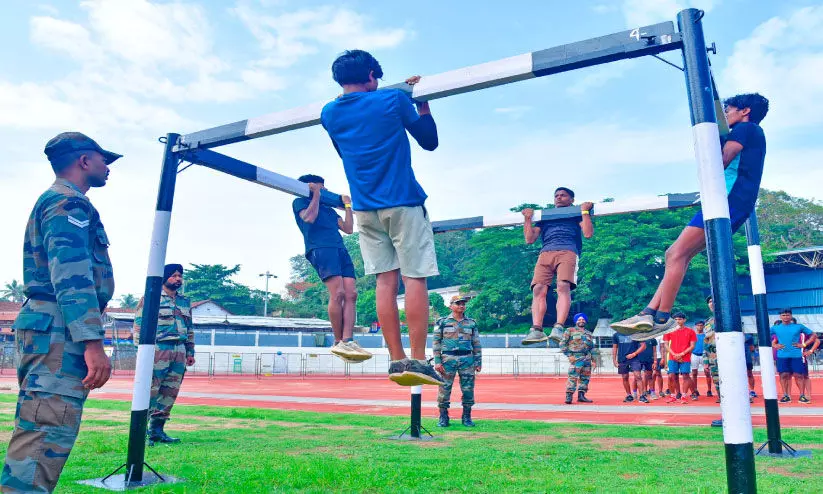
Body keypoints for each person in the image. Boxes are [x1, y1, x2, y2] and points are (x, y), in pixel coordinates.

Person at [1, 132, 118, 493]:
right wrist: (92, 341)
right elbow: (71, 274)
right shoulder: (69, 203)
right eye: (103, 160)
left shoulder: (60, 202)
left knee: (41, 425)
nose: (108, 168)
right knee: (45, 432)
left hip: (49, 324)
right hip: (59, 329)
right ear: (84, 161)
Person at [321, 49, 443, 387]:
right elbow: (429, 142)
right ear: (373, 75)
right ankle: (418, 360)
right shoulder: (391, 100)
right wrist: (422, 102)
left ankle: (395, 360)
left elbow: (342, 145)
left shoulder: (329, 113)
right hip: (402, 200)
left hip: (364, 208)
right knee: (415, 277)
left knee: (384, 282)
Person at [612, 94, 770, 340]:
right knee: (678, 256)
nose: (726, 114)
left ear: (745, 111)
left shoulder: (746, 128)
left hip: (729, 200)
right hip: (732, 201)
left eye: (729, 110)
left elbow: (721, 160)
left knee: (674, 254)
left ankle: (662, 318)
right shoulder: (751, 133)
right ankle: (649, 313)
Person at [292, 174, 370, 362]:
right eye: (321, 187)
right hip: (320, 248)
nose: (325, 190)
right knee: (339, 293)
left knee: (352, 294)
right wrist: (316, 194)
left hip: (339, 248)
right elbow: (309, 218)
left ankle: (348, 339)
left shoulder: (328, 210)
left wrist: (347, 206)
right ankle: (337, 341)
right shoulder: (299, 202)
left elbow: (348, 228)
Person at [521, 188, 594, 345]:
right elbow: (529, 239)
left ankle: (559, 327)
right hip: (545, 252)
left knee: (562, 286)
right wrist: (527, 219)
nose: (559, 198)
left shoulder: (575, 213)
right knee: (538, 288)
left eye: (563, 195)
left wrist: (585, 212)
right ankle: (536, 330)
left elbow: (587, 233)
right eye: (556, 196)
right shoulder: (547, 216)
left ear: (571, 199)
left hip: (567, 250)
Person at [133, 264, 195, 445]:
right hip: (158, 349)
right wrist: (142, 352)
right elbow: (139, 325)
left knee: (170, 391)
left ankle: (157, 431)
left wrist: (190, 351)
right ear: (165, 277)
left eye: (180, 276)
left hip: (179, 350)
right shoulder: (151, 298)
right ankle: (140, 433)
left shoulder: (184, 301)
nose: (178, 279)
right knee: (150, 390)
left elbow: (190, 328)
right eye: (174, 275)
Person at [433, 296, 482, 427]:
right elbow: (436, 342)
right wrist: (437, 361)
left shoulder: (471, 323)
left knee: (468, 389)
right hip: (447, 360)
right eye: (458, 303)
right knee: (444, 388)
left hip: (467, 359)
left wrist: (478, 362)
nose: (461, 305)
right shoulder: (442, 322)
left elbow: (476, 343)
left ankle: (467, 417)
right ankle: (443, 417)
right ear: (451, 306)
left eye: (463, 303)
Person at [771, 308, 815, 404]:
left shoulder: (798, 326)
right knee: (783, 375)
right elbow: (764, 336)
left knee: (799, 375)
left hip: (796, 355)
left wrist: (803, 345)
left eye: (787, 315)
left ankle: (802, 396)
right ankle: (786, 396)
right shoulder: (775, 328)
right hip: (782, 356)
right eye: (783, 315)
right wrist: (774, 345)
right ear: (780, 316)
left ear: (791, 316)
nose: (785, 317)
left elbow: (813, 335)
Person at [561, 313, 596, 404]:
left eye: (583, 319)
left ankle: (581, 396)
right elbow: (562, 344)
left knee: (585, 377)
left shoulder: (589, 333)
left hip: (587, 358)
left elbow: (592, 348)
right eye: (579, 319)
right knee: (573, 376)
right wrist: (569, 355)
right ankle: (569, 396)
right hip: (576, 357)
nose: (581, 321)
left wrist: (594, 360)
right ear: (576, 321)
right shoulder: (570, 330)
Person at [663, 313, 696, 404]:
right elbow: (666, 344)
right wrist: (674, 354)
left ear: (684, 320)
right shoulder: (669, 331)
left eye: (680, 319)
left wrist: (682, 354)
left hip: (685, 357)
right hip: (672, 357)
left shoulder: (690, 331)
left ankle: (684, 396)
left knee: (685, 375)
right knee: (671, 376)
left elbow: (692, 346)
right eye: (676, 319)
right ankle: (673, 395)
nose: (678, 321)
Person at [612, 331, 645, 403]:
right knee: (624, 377)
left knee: (638, 376)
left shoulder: (636, 333)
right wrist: (614, 360)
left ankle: (642, 396)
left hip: (634, 359)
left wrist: (634, 354)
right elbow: (615, 348)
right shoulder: (616, 334)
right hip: (622, 359)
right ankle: (629, 395)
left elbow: (643, 346)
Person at [636, 333, 658, 401]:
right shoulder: (637, 338)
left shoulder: (653, 339)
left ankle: (652, 392)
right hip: (638, 359)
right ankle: (634, 393)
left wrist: (655, 361)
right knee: (636, 377)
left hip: (649, 360)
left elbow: (654, 351)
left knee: (650, 376)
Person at [689, 320, 706, 399]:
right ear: (695, 326)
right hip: (694, 355)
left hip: (704, 355)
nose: (699, 327)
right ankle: (695, 390)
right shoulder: (692, 335)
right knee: (694, 373)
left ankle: (709, 390)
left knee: (707, 372)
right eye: (698, 325)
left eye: (701, 325)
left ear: (703, 326)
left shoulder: (706, 335)